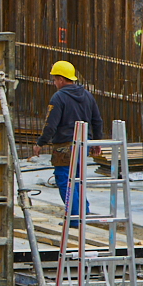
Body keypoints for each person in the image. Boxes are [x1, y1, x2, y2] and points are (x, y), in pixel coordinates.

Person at [34, 59, 107, 216]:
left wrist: (40, 143)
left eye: (54, 80)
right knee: (78, 180)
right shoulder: (87, 95)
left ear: (61, 79)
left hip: (65, 147)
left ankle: (74, 218)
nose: (54, 83)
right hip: (83, 145)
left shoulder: (58, 97)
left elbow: (50, 125)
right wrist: (96, 142)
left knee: (65, 181)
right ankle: (83, 213)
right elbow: (97, 121)